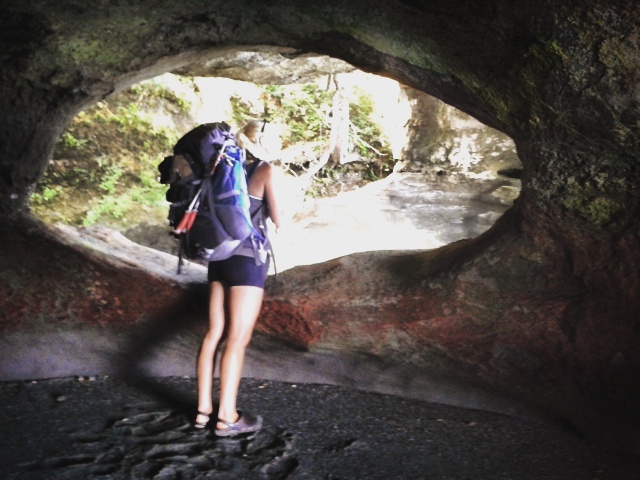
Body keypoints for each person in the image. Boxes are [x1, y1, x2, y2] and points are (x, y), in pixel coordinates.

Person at [194, 127, 284, 436]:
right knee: (237, 338)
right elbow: (279, 220)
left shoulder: (218, 169)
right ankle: (227, 416)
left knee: (214, 333)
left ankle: (203, 411)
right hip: (247, 261)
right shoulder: (265, 170)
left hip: (218, 257)